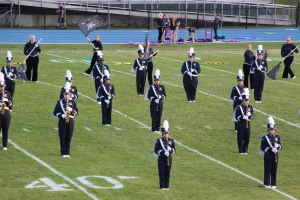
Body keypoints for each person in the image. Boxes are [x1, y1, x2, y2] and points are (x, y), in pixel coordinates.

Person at [53, 83, 78, 157]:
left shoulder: (73, 102)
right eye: (65, 94)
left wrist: (71, 110)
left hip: (70, 121)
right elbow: (55, 113)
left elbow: (76, 112)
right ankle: (63, 152)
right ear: (63, 94)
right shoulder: (59, 102)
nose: (66, 95)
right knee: (62, 136)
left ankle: (68, 152)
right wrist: (62, 115)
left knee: (68, 136)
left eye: (67, 94)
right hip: (62, 121)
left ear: (69, 94)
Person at [260, 117, 282, 189]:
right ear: (268, 130)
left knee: (274, 169)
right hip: (268, 155)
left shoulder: (277, 137)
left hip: (275, 155)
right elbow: (263, 147)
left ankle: (273, 184)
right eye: (271, 130)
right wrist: (270, 149)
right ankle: (267, 183)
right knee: (267, 169)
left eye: (273, 130)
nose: (273, 131)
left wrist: (277, 147)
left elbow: (280, 145)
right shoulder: (264, 137)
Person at [153, 120, 176, 190]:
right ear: (163, 133)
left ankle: (167, 185)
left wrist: (170, 150)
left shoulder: (171, 140)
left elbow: (174, 150)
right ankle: (162, 186)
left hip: (169, 158)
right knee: (162, 171)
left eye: (168, 133)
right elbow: (156, 150)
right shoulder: (159, 140)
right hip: (161, 158)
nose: (167, 134)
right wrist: (163, 152)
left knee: (168, 172)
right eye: (165, 133)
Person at [234, 88, 254, 155]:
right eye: (245, 100)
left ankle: (245, 150)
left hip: (247, 124)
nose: (247, 101)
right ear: (243, 100)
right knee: (240, 138)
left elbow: (253, 115)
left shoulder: (250, 107)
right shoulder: (238, 107)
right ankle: (240, 150)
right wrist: (243, 117)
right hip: (241, 125)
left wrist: (251, 116)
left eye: (248, 100)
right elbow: (237, 117)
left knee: (247, 138)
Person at [0, 72, 12, 151]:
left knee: (5, 129)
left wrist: (7, 100)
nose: (2, 88)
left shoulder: (7, 93)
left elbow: (10, 104)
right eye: (1, 87)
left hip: (6, 113)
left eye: (3, 86)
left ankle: (5, 145)